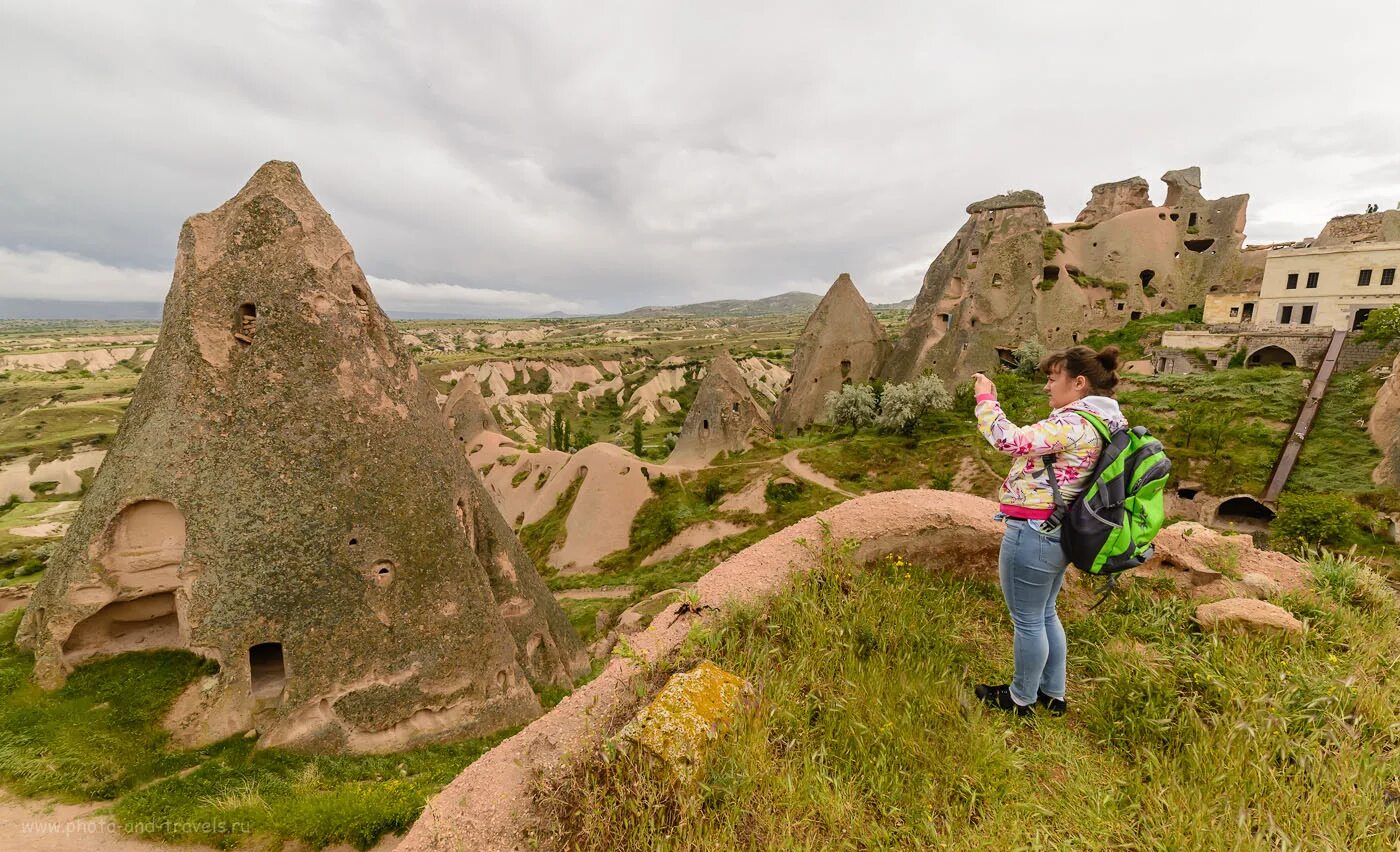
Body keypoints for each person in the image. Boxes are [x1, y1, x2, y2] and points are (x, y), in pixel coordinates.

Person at [969, 345, 1127, 717]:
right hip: (1058, 531)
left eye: (1053, 378)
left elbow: (1010, 440)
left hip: (1035, 531)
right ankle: (1053, 693)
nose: (1047, 388)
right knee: (1045, 613)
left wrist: (985, 398)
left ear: (1079, 382)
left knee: (1027, 619)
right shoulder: (1104, 420)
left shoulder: (1073, 423)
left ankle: (1020, 698)